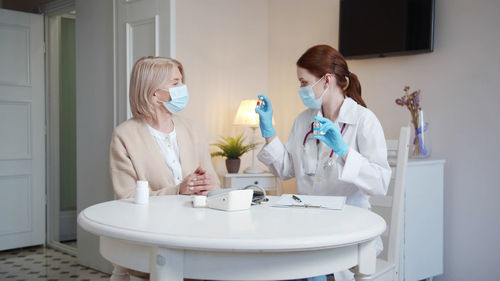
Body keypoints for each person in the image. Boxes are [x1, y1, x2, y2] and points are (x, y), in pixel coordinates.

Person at [256, 45, 391, 281]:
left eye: (303, 82)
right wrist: (268, 131)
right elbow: (287, 170)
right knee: (272, 266)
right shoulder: (304, 120)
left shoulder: (363, 120)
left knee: (304, 271)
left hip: (347, 229)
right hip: (308, 227)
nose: (301, 89)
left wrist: (343, 150)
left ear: (327, 80)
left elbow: (380, 183)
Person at [109, 56, 219, 281]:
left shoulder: (192, 129)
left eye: (181, 81)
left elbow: (214, 183)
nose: (183, 88)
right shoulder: (125, 136)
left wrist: (209, 185)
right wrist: (178, 189)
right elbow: (126, 199)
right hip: (150, 242)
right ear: (154, 93)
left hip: (197, 237)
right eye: (175, 83)